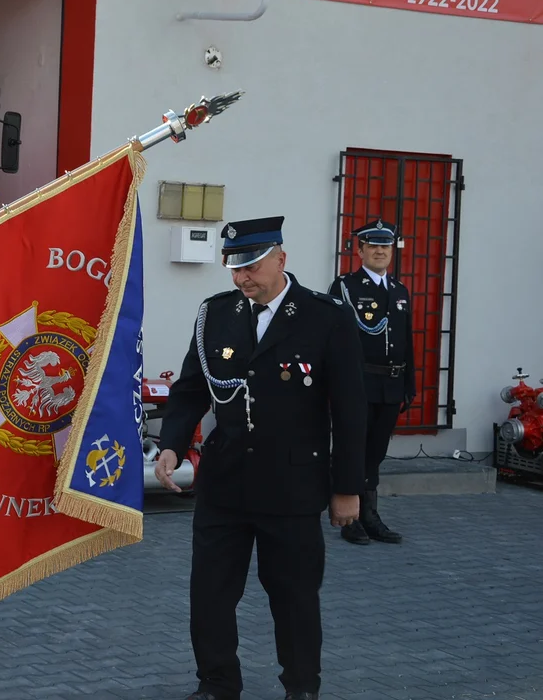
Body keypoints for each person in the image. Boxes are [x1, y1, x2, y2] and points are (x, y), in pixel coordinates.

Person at [154, 216, 367, 700]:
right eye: (234, 268)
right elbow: (190, 390)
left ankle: (301, 688)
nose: (242, 278)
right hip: (225, 483)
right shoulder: (216, 313)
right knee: (209, 595)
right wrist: (170, 443)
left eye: (250, 266)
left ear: (280, 259)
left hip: (292, 486)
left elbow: (351, 413)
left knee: (293, 599)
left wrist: (348, 488)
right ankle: (216, 685)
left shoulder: (325, 317)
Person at [327, 220, 413, 545]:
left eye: (386, 245)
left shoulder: (400, 291)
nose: (380, 251)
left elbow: (407, 342)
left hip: (390, 384)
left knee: (375, 453)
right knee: (352, 448)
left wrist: (410, 384)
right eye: (373, 245)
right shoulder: (346, 287)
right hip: (358, 382)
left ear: (392, 250)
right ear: (360, 250)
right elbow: (332, 339)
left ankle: (370, 515)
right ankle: (350, 518)